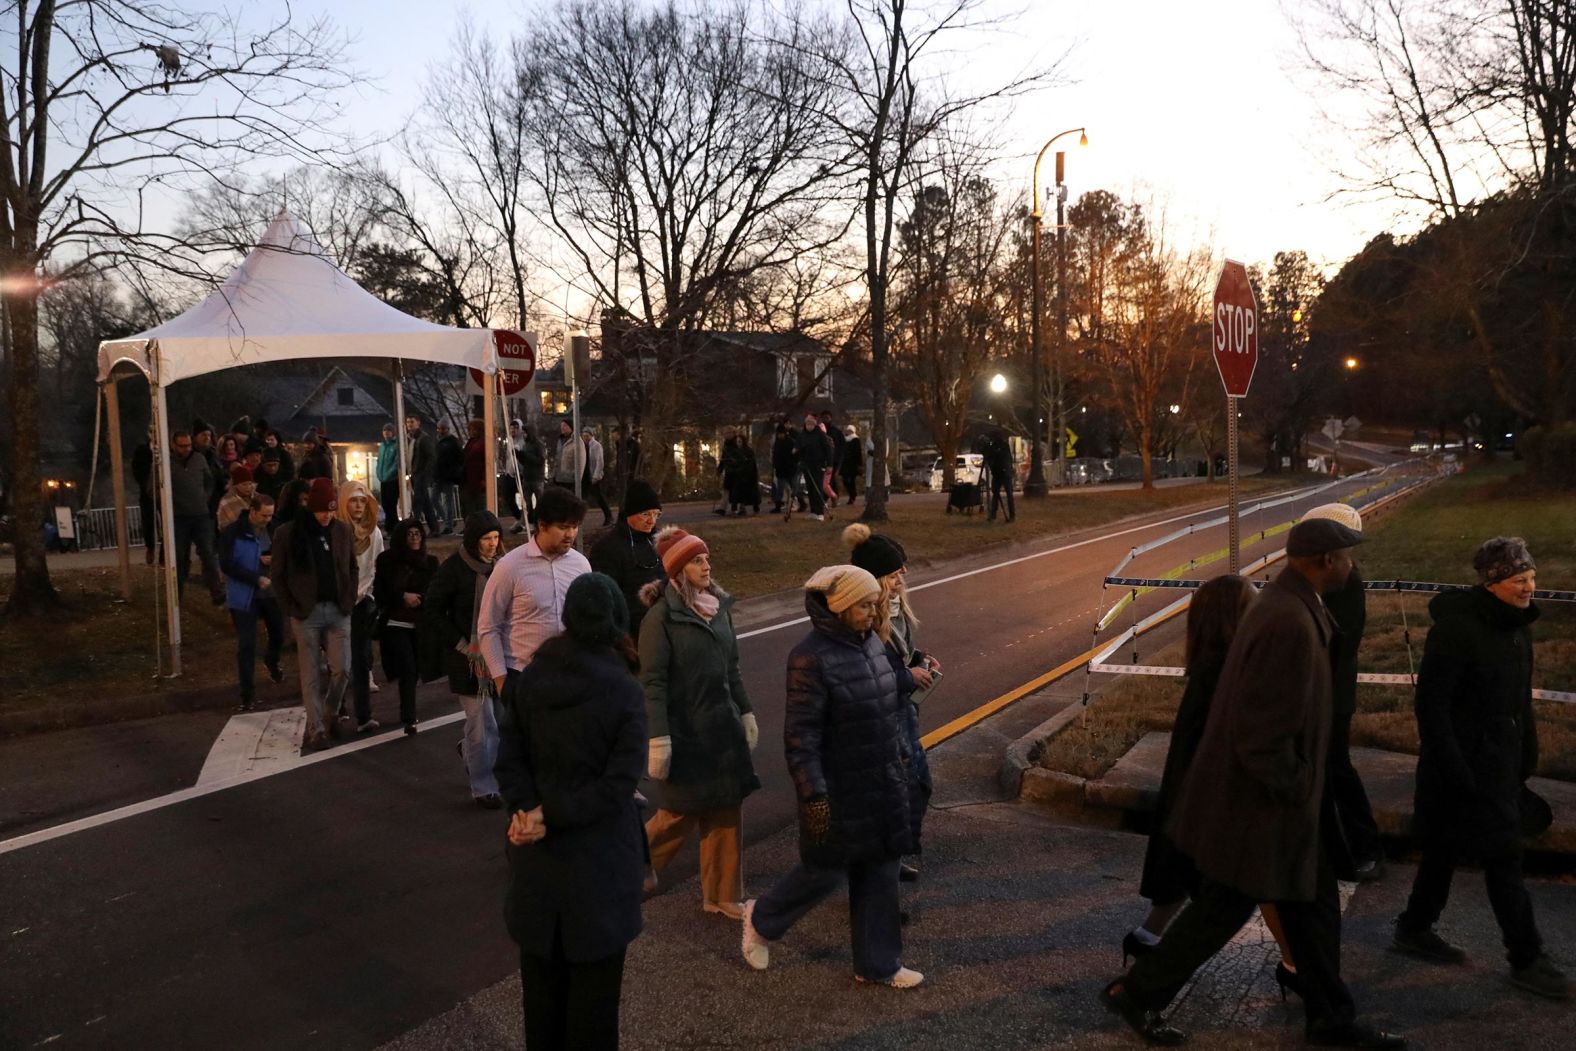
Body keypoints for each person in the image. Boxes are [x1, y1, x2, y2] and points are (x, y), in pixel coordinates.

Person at [1102, 517, 1406, 1049]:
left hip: (1270, 804)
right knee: (1242, 908)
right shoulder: (1287, 618)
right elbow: (1260, 732)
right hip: (1265, 807)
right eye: (1346, 558)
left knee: (1299, 907)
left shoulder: (1290, 605)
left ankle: (1329, 1018)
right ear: (1326, 561)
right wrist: (1299, 781)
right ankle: (1142, 992)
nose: (1352, 566)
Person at [1394, 537, 1570, 999]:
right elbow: (1431, 708)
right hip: (1462, 771)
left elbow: (1518, 703)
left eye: (1531, 578)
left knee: (1443, 850)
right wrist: (1457, 772)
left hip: (1499, 767)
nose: (1529, 587)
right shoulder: (1456, 631)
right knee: (1504, 860)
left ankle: (1414, 927)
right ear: (1493, 584)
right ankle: (1526, 957)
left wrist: (1526, 754)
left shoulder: (1517, 629)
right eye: (1519, 580)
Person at [742, 564, 921, 988]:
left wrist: (901, 756)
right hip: (839, 789)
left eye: (874, 602)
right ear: (839, 608)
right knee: (824, 869)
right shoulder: (810, 657)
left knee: (880, 872)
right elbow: (800, 736)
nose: (873, 610)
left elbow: (884, 704)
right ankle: (762, 919)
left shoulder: (871, 644)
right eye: (863, 604)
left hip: (881, 780)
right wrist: (813, 795)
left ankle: (878, 965)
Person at [496, 572, 647, 1051]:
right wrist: (552, 814)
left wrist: (528, 812)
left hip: (537, 867)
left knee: (541, 1004)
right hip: (598, 866)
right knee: (594, 1011)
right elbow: (618, 785)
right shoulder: (623, 689)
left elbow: (508, 759)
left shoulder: (533, 677)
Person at [1125, 574, 1256, 963]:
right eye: (1252, 604)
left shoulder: (1211, 664)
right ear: (1233, 616)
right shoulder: (1223, 671)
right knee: (1232, 888)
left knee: (1186, 872)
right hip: (1208, 792)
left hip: (1194, 789)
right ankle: (1296, 964)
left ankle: (1146, 938)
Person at [640, 527, 759, 918]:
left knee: (726, 810)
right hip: (685, 732)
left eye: (706, 558)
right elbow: (653, 683)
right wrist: (659, 738)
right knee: (679, 812)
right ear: (677, 571)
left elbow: (733, 669)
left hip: (722, 730)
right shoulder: (660, 619)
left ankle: (722, 896)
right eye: (696, 560)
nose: (706, 565)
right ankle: (626, 872)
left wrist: (745, 711)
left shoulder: (719, 609)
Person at [845, 523, 938, 883]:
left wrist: (919, 661)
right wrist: (906, 676)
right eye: (895, 573)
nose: (902, 579)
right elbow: (867, 673)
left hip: (903, 711)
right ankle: (878, 869)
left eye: (902, 572)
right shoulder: (863, 616)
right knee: (897, 790)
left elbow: (897, 656)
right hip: (881, 719)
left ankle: (893, 856)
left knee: (916, 785)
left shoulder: (897, 609)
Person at [1303, 502, 1384, 881]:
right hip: (1313, 690)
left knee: (1336, 767)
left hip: (1330, 692)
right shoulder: (1315, 579)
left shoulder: (1345, 582)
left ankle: (1364, 846)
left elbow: (1342, 641)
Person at [478, 485, 592, 700]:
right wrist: (502, 682)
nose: (570, 534)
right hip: (523, 677)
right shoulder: (510, 566)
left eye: (575, 526)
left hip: (571, 676)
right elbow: (488, 626)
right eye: (563, 527)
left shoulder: (581, 565)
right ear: (542, 525)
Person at [424, 510, 506, 808]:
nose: (492, 544)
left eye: (496, 537)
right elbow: (433, 610)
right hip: (468, 660)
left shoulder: (502, 567)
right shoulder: (454, 570)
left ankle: (472, 753)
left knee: (498, 719)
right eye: (486, 538)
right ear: (473, 540)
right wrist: (461, 644)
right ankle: (484, 787)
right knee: (482, 723)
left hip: (499, 655)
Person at [270, 477, 357, 751]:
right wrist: (291, 606)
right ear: (311, 508)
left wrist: (349, 598)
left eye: (331, 511)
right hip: (305, 611)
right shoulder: (289, 533)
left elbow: (351, 567)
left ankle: (330, 712)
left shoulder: (342, 530)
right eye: (322, 511)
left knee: (342, 669)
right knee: (310, 674)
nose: (327, 516)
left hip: (338, 608)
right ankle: (316, 728)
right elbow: (278, 575)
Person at [218, 493, 285, 712]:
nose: (267, 519)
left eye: (270, 515)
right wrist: (255, 574)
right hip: (245, 595)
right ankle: (247, 694)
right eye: (264, 515)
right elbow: (228, 564)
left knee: (278, 633)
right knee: (246, 644)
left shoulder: (274, 529)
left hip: (271, 593)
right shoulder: (233, 532)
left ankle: (272, 661)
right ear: (253, 512)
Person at [374, 518, 439, 736]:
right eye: (410, 534)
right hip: (396, 622)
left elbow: (436, 590)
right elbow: (381, 592)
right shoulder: (387, 561)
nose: (414, 538)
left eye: (418, 533)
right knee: (407, 669)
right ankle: (409, 716)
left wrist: (421, 598)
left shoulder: (430, 562)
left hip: (420, 624)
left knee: (415, 669)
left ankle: (408, 711)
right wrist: (402, 597)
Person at [339, 480, 386, 733]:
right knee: (338, 663)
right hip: (338, 602)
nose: (358, 506)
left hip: (362, 601)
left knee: (360, 657)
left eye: (362, 500)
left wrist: (367, 594)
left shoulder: (374, 533)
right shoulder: (337, 530)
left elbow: (375, 566)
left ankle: (364, 715)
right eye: (353, 500)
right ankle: (337, 710)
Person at [588, 480, 665, 632]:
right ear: (630, 513)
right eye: (646, 514)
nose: (652, 520)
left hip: (663, 624)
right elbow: (606, 598)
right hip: (630, 629)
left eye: (656, 514)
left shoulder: (661, 542)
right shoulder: (607, 548)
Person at [167, 428, 224, 604]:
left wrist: (204, 498)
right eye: (182, 446)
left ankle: (217, 592)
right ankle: (177, 595)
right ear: (173, 445)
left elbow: (209, 481)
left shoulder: (199, 459)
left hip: (200, 515)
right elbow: (153, 487)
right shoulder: (166, 463)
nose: (186, 449)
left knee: (208, 553)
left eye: (188, 445)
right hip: (178, 517)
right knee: (180, 556)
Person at [405, 412, 442, 536]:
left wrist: (425, 472)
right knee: (425, 502)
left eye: (412, 422)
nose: (409, 424)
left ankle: (415, 527)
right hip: (415, 473)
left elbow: (431, 457)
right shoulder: (411, 438)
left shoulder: (423, 438)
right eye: (408, 422)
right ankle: (434, 528)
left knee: (418, 502)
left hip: (420, 473)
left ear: (418, 423)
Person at [788, 415, 830, 521]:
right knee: (810, 488)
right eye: (807, 424)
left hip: (818, 464)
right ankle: (813, 511)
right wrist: (795, 449)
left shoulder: (820, 435)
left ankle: (820, 512)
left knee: (817, 487)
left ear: (815, 424)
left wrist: (829, 465)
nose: (809, 426)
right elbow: (797, 445)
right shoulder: (802, 435)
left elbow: (828, 450)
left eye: (811, 424)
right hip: (806, 464)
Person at [132, 425, 158, 565]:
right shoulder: (142, 451)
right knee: (148, 521)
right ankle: (150, 547)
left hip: (163, 491)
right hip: (147, 491)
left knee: (166, 522)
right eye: (153, 432)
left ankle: (164, 554)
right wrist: (145, 483)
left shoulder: (168, 450)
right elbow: (136, 469)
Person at [435, 419, 465, 531]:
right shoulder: (439, 441)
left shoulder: (453, 442)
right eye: (439, 428)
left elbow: (460, 458)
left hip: (448, 475)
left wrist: (455, 472)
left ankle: (448, 523)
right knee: (436, 499)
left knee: (447, 500)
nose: (441, 431)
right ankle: (449, 520)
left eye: (443, 428)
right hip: (439, 475)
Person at [516, 423, 547, 532]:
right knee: (525, 502)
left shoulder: (538, 445)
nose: (524, 435)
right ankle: (523, 523)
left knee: (540, 502)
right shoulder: (526, 445)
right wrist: (519, 456)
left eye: (525, 433)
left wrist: (526, 456)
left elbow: (540, 460)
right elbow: (525, 462)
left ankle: (540, 523)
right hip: (528, 477)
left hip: (537, 478)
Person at [580, 427, 612, 526]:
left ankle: (608, 516)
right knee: (581, 497)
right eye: (584, 436)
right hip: (585, 475)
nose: (585, 437)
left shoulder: (596, 445)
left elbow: (599, 461)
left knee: (598, 497)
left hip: (593, 475)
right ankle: (578, 518)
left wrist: (596, 476)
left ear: (591, 435)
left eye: (587, 436)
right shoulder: (582, 445)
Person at [982, 430, 1015, 523]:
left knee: (1001, 494)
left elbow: (997, 458)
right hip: (1001, 473)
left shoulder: (999, 447)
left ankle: (996, 514)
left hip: (1002, 473)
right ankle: (995, 514)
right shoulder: (1002, 446)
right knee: (999, 494)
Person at [375, 422, 401, 527]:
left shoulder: (396, 445)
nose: (386, 433)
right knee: (385, 504)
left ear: (393, 432)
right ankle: (389, 526)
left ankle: (393, 526)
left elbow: (396, 463)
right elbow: (379, 461)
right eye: (385, 431)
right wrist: (379, 473)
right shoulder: (382, 446)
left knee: (391, 504)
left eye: (389, 431)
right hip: (383, 479)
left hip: (392, 479)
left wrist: (388, 474)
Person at [216, 464, 257, 531]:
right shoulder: (226, 501)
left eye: (250, 484)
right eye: (244, 484)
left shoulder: (258, 497)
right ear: (236, 485)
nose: (248, 487)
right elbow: (223, 526)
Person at [461, 418, 487, 516]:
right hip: (468, 478)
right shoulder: (471, 442)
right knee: (467, 505)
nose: (470, 432)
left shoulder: (482, 443)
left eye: (472, 429)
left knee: (477, 505)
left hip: (477, 478)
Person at [770, 422, 797, 515]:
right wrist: (775, 465)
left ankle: (800, 502)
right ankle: (778, 505)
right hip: (780, 469)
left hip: (790, 469)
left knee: (794, 487)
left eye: (781, 434)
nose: (780, 435)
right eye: (778, 434)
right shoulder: (777, 443)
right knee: (780, 488)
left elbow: (795, 456)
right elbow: (775, 456)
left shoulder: (791, 442)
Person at [840, 425, 863, 505]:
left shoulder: (856, 439)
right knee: (845, 480)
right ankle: (851, 494)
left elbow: (858, 453)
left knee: (851, 480)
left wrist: (859, 464)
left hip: (853, 464)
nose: (848, 432)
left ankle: (852, 496)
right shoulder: (844, 440)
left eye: (850, 430)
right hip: (845, 464)